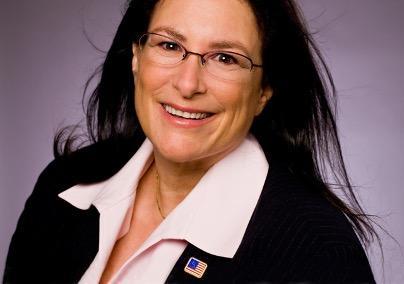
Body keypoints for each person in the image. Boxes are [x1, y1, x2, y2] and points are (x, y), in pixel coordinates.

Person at [4, 0, 378, 282]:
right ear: (136, 55)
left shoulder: (315, 250)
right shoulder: (66, 185)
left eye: (225, 58)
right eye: (168, 46)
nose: (187, 85)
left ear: (264, 90)